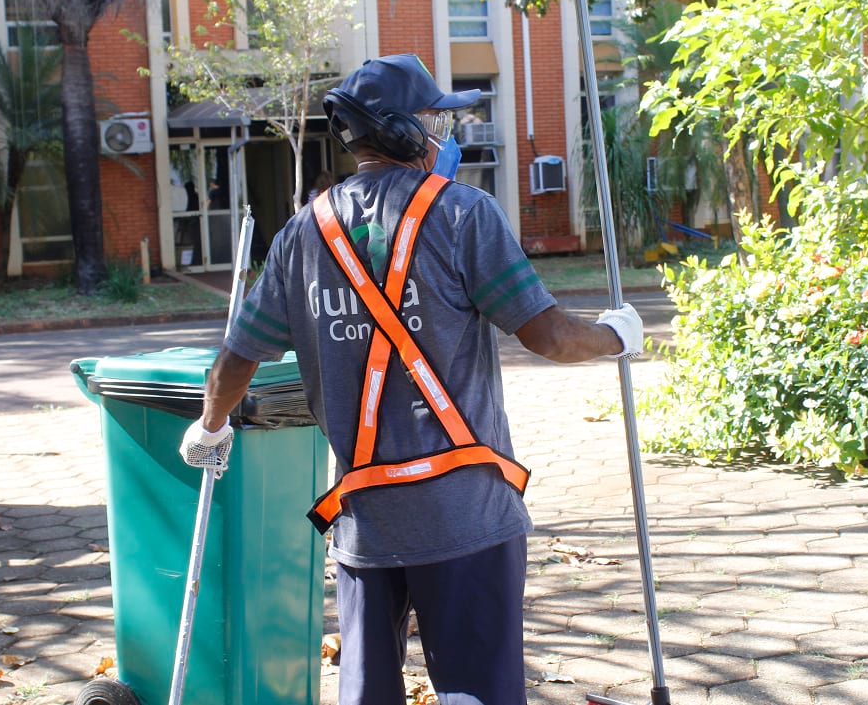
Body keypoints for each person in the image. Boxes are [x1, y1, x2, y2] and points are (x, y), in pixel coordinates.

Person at [179, 53, 644, 705]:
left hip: (366, 528)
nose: (443, 134)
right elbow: (548, 335)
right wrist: (618, 334)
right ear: (403, 131)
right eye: (434, 120)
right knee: (477, 693)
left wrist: (211, 425)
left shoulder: (301, 235)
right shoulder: (464, 214)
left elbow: (234, 360)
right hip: (468, 521)